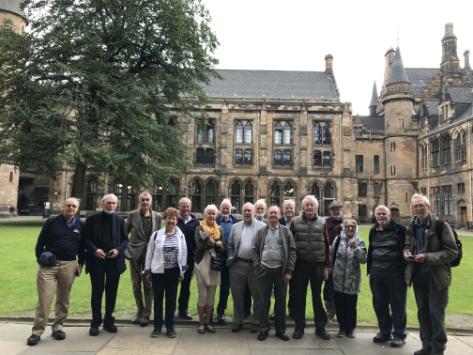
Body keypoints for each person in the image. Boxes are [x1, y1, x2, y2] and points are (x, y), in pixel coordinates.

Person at [404, 194, 459, 355]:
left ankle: (437, 349)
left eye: (422, 205)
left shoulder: (441, 226)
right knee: (422, 312)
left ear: (429, 207)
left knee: (436, 313)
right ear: (412, 209)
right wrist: (406, 252)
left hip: (437, 276)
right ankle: (426, 345)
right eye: (416, 206)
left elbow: (452, 251)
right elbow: (407, 244)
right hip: (418, 275)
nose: (419, 208)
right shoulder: (411, 226)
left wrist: (427, 257)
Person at [26, 198, 85, 346]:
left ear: (77, 209)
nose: (70, 208)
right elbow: (40, 244)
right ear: (63, 206)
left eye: (74, 206)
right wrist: (41, 260)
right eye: (68, 205)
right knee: (44, 300)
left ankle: (58, 327)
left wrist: (80, 264)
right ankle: (37, 331)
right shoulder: (51, 222)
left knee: (63, 299)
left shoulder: (80, 225)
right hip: (49, 266)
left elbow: (82, 247)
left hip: (69, 265)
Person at [84, 193, 128, 336]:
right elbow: (85, 239)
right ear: (102, 203)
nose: (111, 206)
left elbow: (125, 240)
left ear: (116, 205)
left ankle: (109, 320)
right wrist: (95, 250)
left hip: (114, 261)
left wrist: (118, 250)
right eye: (108, 203)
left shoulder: (120, 220)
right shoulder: (91, 219)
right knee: (97, 292)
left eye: (113, 203)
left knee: (111, 292)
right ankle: (95, 322)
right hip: (97, 261)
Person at [253, 205, 296, 341]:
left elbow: (292, 251)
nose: (273, 215)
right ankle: (264, 329)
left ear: (279, 215)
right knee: (263, 302)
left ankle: (280, 330)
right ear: (267, 215)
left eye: (275, 213)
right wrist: (258, 266)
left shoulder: (285, 231)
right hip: (264, 270)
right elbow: (254, 250)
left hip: (281, 271)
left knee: (281, 302)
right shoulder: (261, 231)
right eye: (271, 213)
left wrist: (289, 271)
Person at [291, 195, 331, 340]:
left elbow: (327, 246)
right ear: (302, 207)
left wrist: (327, 267)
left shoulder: (322, 222)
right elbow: (290, 246)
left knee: (317, 297)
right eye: (306, 205)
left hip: (317, 265)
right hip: (300, 265)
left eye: (311, 205)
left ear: (316, 207)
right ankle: (299, 327)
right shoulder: (295, 221)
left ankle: (320, 328)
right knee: (299, 297)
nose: (309, 207)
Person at [367, 205, 407, 348]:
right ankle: (385, 332)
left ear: (389, 215)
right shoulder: (373, 230)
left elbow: (407, 247)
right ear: (375, 216)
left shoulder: (400, 230)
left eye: (384, 214)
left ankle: (399, 335)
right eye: (379, 214)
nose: (381, 216)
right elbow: (372, 249)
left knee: (398, 305)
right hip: (377, 274)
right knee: (379, 304)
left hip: (395, 274)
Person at [145, 207, 187, 338]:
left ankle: (170, 327)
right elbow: (149, 253)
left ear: (177, 220)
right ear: (165, 219)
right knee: (158, 300)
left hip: (173, 272)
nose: (172, 221)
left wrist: (182, 272)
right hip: (158, 272)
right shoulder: (156, 235)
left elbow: (184, 253)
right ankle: (157, 327)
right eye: (169, 218)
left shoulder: (180, 235)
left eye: (174, 218)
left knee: (171, 301)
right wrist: (147, 271)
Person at [227, 202, 265, 333]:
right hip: (237, 265)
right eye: (245, 211)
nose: (247, 213)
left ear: (253, 212)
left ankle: (256, 321)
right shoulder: (235, 227)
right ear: (242, 212)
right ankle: (238, 320)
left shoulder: (262, 227)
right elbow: (230, 245)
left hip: (255, 266)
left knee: (258, 295)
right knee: (237, 295)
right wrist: (231, 257)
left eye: (249, 210)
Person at [125, 192, 161, 326]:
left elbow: (158, 236)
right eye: (143, 200)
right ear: (139, 201)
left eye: (147, 200)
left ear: (151, 201)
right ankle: (139, 311)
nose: (145, 202)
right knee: (136, 284)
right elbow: (125, 234)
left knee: (148, 284)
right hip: (134, 254)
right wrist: (126, 249)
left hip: (150, 255)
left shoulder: (157, 216)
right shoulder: (132, 215)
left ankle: (147, 313)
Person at [331, 219, 367, 339]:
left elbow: (364, 259)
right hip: (338, 280)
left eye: (352, 226)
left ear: (356, 228)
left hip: (352, 281)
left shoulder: (360, 241)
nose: (350, 228)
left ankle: (350, 329)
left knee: (351, 306)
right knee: (340, 305)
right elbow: (331, 256)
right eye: (348, 226)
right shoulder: (337, 240)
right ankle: (341, 328)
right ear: (344, 228)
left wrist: (356, 248)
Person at [193, 204, 224, 334]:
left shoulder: (220, 229)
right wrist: (211, 242)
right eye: (209, 213)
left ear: (216, 216)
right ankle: (201, 322)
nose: (211, 216)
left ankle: (208, 322)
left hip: (214, 264)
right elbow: (199, 245)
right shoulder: (199, 228)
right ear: (204, 215)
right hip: (201, 263)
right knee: (203, 295)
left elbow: (221, 248)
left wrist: (219, 245)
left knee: (211, 295)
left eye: (213, 214)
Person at [177, 197, 200, 320]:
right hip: (175, 259)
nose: (185, 208)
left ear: (190, 207)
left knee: (185, 286)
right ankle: (170, 310)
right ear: (179, 207)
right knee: (172, 286)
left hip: (189, 259)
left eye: (187, 206)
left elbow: (198, 241)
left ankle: (183, 311)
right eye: (183, 206)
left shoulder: (196, 222)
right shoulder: (175, 220)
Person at [215, 198, 237, 324]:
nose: (225, 210)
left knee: (225, 287)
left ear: (230, 209)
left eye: (227, 208)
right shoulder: (215, 220)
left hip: (229, 259)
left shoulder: (235, 222)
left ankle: (220, 311)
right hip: (216, 257)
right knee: (211, 285)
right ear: (220, 208)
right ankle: (207, 311)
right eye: (223, 207)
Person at [324, 200, 344, 321]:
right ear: (330, 211)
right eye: (334, 209)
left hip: (343, 261)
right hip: (329, 261)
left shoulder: (347, 224)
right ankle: (330, 312)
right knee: (329, 286)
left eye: (338, 209)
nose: (336, 211)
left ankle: (341, 313)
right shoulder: (325, 223)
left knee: (341, 288)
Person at [279, 199, 296, 319]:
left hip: (295, 260)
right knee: (279, 288)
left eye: (291, 208)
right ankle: (278, 311)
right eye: (287, 208)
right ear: (283, 209)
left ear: (294, 210)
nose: (289, 210)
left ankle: (292, 309)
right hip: (280, 260)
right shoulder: (277, 221)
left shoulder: (298, 222)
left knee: (294, 288)